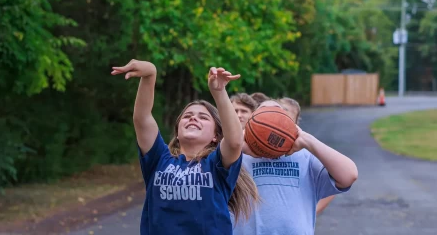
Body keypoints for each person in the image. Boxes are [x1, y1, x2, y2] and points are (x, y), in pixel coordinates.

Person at [111, 60, 259, 235]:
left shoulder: (216, 165)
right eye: (187, 116)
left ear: (215, 136)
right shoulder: (158, 160)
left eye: (203, 117)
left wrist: (219, 92)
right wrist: (150, 74)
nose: (193, 118)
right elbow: (142, 119)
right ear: (177, 131)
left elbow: (234, 141)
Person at [234, 99, 358, 235]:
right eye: (263, 113)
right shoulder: (238, 156)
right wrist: (240, 140)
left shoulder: (306, 156)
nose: (270, 119)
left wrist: (307, 140)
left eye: (278, 112)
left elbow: (349, 175)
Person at [278, 97, 335, 216]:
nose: (280, 113)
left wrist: (312, 211)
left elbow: (336, 181)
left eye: (285, 110)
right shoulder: (255, 152)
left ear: (296, 121)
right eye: (278, 109)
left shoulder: (306, 154)